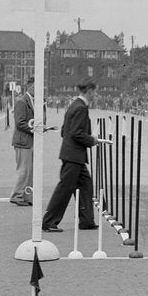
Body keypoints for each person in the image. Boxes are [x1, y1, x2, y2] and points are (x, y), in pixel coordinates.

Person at [42, 77, 100, 232]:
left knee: (86, 185)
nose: (96, 95)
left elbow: (64, 131)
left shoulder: (73, 105)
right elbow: (76, 133)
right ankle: (49, 222)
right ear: (89, 91)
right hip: (74, 156)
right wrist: (92, 140)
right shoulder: (81, 108)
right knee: (64, 189)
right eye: (95, 92)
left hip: (73, 155)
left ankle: (87, 220)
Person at [9, 77, 36, 206]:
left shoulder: (33, 101)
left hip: (29, 141)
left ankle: (26, 196)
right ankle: (17, 195)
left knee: (29, 171)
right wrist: (33, 129)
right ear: (30, 87)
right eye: (36, 87)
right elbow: (20, 123)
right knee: (24, 170)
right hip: (23, 142)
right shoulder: (22, 102)